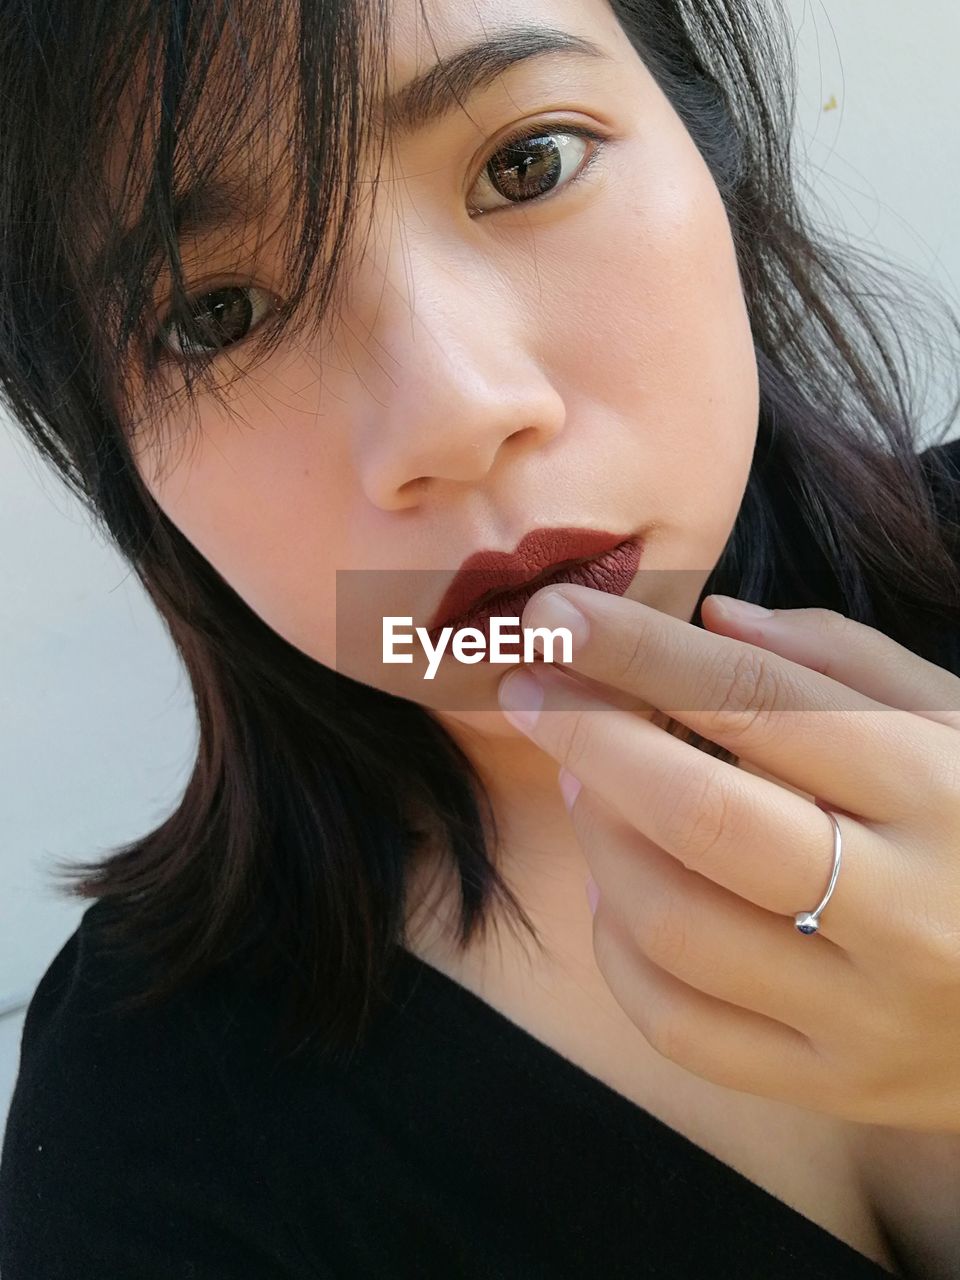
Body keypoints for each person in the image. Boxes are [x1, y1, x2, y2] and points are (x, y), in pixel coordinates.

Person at [1, 0, 959, 1276]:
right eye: (217, 313)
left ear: (706, 142)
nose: (454, 415)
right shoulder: (143, 1127)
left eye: (529, 164)